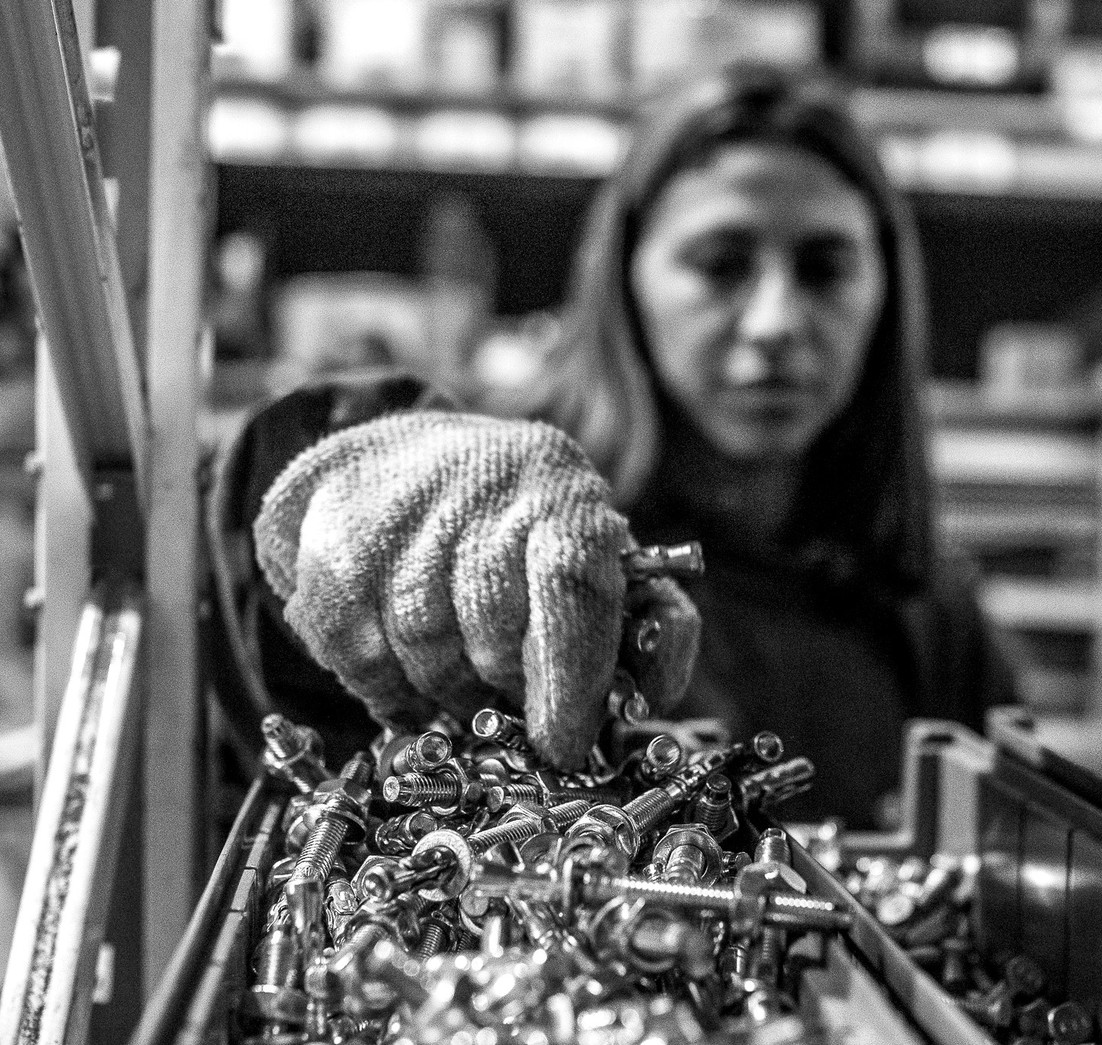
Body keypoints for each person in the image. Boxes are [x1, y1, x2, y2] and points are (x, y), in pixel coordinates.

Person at [209, 62, 1014, 826]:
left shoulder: (928, 618)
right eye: (721, 264)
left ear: (885, 289)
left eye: (823, 268)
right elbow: (240, 539)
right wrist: (360, 481)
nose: (774, 322)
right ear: (627, 280)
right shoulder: (518, 523)